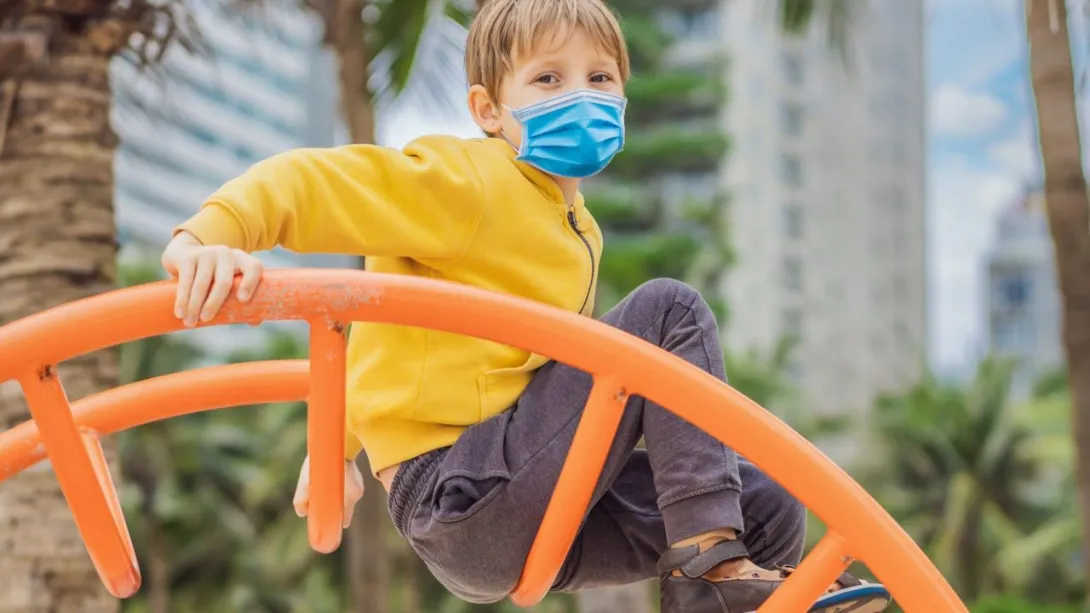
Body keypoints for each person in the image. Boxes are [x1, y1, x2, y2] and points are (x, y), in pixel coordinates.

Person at [160, 0, 894, 611]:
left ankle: (724, 585)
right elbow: (315, 183)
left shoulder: (578, 230)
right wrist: (208, 237)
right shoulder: (468, 182)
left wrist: (338, 450)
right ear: (488, 109)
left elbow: (411, 345)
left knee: (766, 502)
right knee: (669, 312)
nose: (582, 96)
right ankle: (712, 572)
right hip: (460, 490)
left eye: (600, 78)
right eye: (548, 79)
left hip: (537, 505)